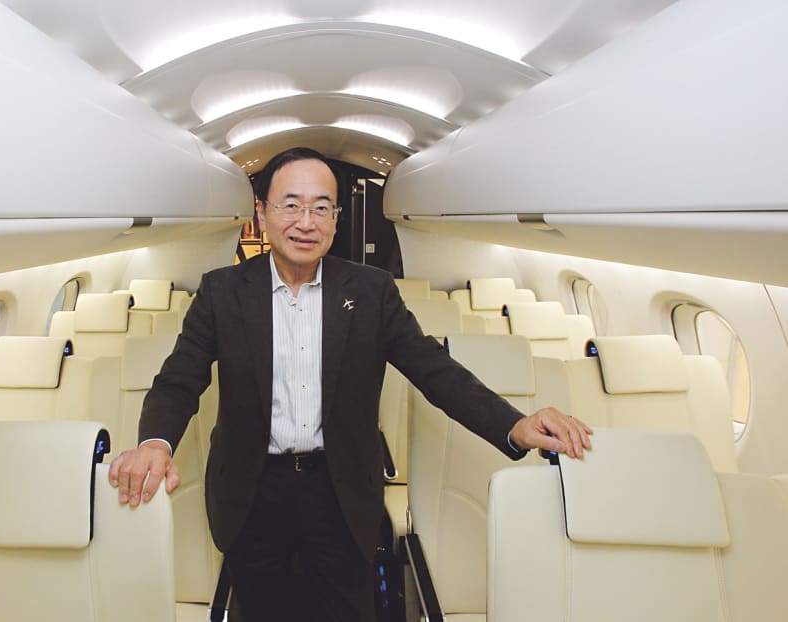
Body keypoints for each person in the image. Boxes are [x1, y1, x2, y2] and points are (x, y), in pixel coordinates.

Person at [109, 147, 592, 622]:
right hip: (251, 495)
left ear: (336, 219)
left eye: (322, 208)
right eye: (291, 205)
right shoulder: (222, 291)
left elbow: (434, 370)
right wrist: (154, 443)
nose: (306, 222)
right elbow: (178, 380)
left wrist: (514, 424)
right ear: (262, 212)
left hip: (340, 493)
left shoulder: (371, 290)